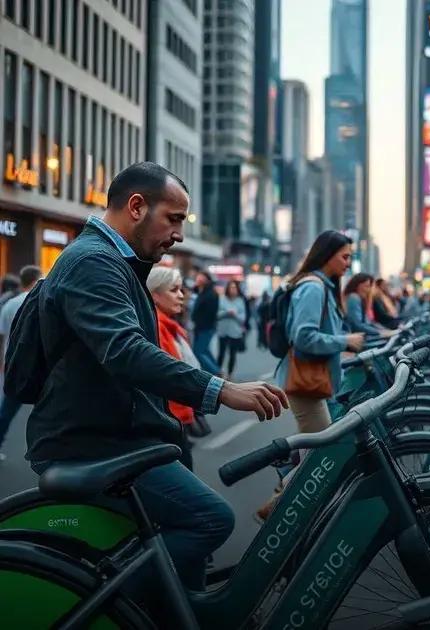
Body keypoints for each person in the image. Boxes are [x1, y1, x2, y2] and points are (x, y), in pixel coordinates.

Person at [18, 162, 287, 596]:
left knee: (191, 574)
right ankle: (102, 594)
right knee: (211, 519)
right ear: (137, 206)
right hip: (92, 445)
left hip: (120, 437)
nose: (179, 232)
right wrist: (221, 390)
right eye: (174, 218)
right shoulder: (93, 262)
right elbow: (124, 351)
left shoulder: (118, 262)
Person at [276, 230, 365, 434]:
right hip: (306, 383)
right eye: (344, 257)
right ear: (327, 255)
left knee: (311, 448)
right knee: (319, 453)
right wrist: (345, 341)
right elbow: (304, 337)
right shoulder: (313, 289)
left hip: (315, 381)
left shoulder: (323, 287)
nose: (348, 263)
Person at [146, 266, 202, 470]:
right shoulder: (156, 327)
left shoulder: (171, 326)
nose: (181, 296)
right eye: (174, 290)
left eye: (181, 290)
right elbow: (171, 374)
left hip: (176, 417)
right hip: (168, 419)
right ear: (155, 294)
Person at [0, 265, 43, 462]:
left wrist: (3, 361)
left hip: (14, 363)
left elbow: (2, 337)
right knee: (44, 408)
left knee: (7, 408)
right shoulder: (39, 299)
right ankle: (42, 453)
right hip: (36, 363)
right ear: (34, 280)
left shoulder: (9, 304)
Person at [191, 270, 221, 374]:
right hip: (200, 327)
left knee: (198, 352)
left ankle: (215, 372)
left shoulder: (211, 294)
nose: (198, 278)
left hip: (206, 327)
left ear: (207, 280)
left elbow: (211, 313)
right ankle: (216, 371)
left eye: (202, 277)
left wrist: (201, 324)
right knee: (205, 351)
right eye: (198, 276)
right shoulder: (200, 291)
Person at [216, 280, 248, 378]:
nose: (233, 289)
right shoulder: (222, 299)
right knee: (221, 353)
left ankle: (230, 374)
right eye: (231, 287)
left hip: (235, 332)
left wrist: (235, 315)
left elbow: (243, 319)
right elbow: (217, 315)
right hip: (223, 331)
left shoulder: (240, 301)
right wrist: (226, 312)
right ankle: (218, 373)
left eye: (234, 287)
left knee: (232, 354)